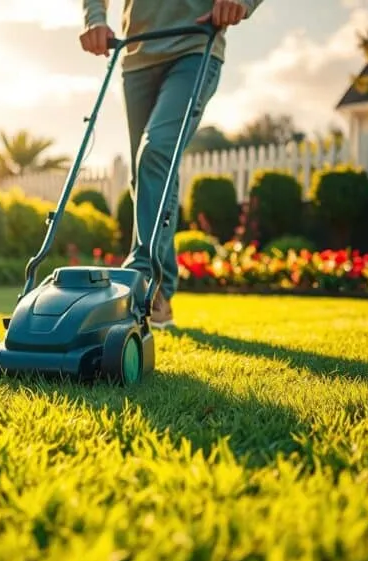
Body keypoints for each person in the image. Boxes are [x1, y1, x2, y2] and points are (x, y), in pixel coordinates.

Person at [79, 0, 262, 329]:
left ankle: (142, 277)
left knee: (155, 152)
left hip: (194, 43)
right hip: (136, 54)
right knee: (145, 173)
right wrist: (95, 19)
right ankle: (160, 294)